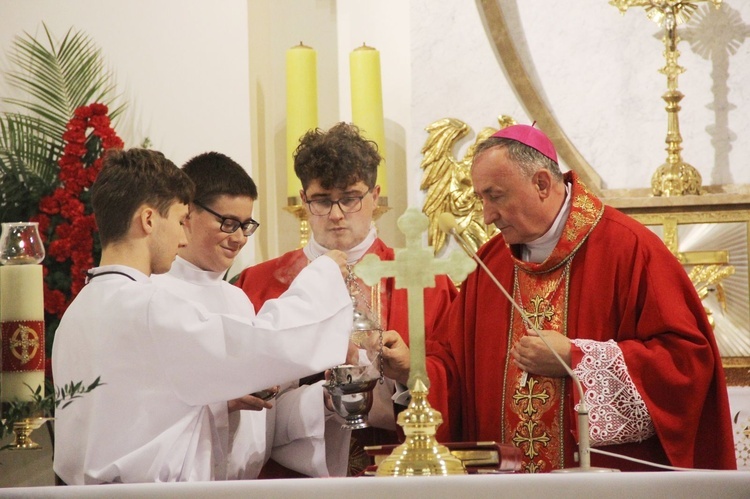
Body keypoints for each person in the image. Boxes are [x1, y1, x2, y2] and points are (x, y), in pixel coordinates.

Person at [381, 124, 736, 472]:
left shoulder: (628, 249)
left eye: (495, 196)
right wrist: (413, 369)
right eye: (481, 198)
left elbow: (687, 364)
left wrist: (576, 358)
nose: (487, 216)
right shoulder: (491, 265)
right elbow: (455, 370)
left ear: (541, 183)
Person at [51, 148, 353, 484]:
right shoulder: (149, 305)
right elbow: (267, 342)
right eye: (180, 221)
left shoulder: (78, 312)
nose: (183, 237)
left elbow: (144, 416)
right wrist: (322, 276)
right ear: (149, 220)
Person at [235, 122, 458, 476]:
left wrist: (407, 373)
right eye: (323, 200)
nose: (337, 214)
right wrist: (316, 401)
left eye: (351, 198)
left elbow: (454, 377)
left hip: (399, 473)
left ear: (375, 196)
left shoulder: (425, 283)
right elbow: (239, 399)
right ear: (304, 200)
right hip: (292, 479)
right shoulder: (260, 284)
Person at [151, 151, 340, 479]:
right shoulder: (157, 294)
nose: (239, 238)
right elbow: (146, 411)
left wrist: (326, 398)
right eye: (228, 223)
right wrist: (221, 401)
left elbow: (265, 426)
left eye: (246, 225)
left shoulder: (237, 299)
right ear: (188, 214)